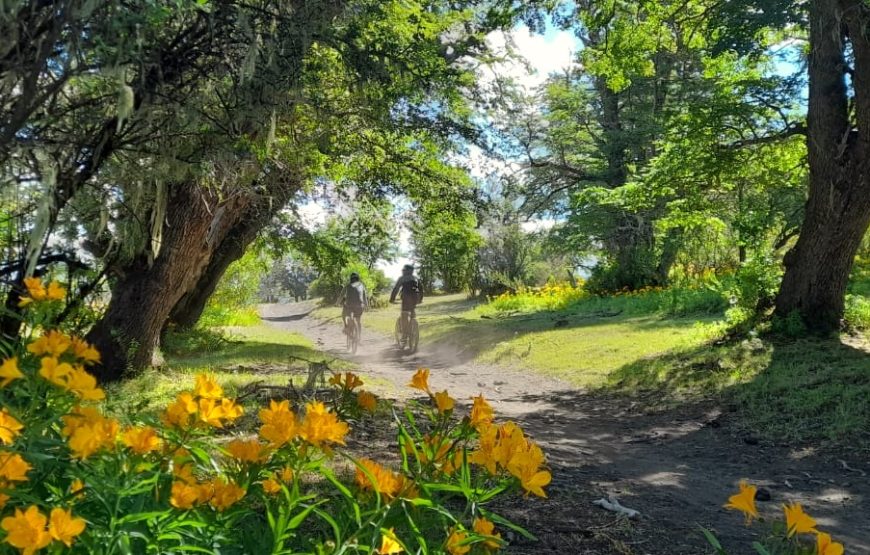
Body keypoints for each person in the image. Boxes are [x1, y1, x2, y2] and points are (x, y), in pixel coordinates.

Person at [389, 264, 423, 339]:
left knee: (404, 314)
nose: (403, 271)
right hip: (415, 298)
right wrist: (420, 299)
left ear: (407, 271)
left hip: (406, 298)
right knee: (412, 311)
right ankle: (413, 325)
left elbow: (396, 289)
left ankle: (404, 335)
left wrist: (392, 299)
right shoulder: (416, 278)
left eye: (404, 270)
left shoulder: (402, 278)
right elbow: (421, 289)